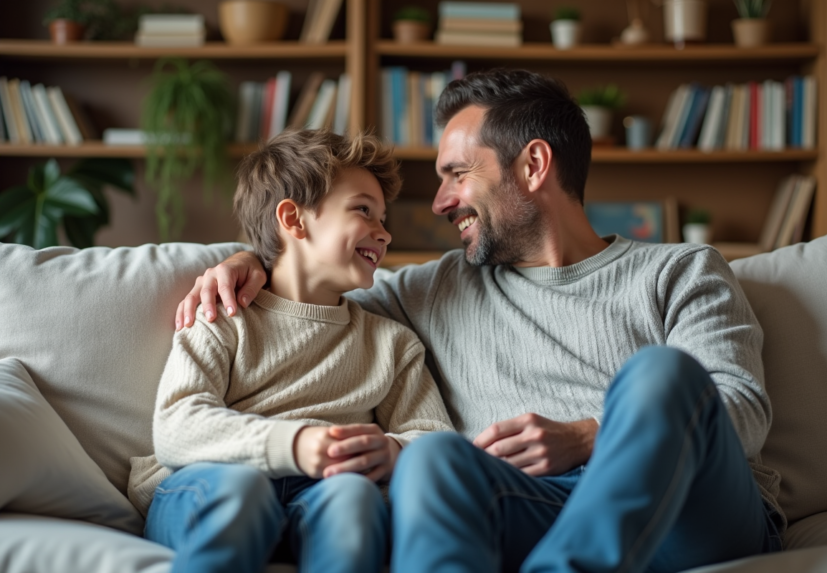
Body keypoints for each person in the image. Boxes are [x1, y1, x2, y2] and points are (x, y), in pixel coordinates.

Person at [177, 70, 784, 573]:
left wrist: (589, 437)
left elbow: (741, 412)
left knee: (660, 375)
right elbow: (318, 280)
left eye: (456, 175)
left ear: (533, 164)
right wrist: (247, 259)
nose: (439, 202)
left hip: (692, 514)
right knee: (432, 458)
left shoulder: (679, 271)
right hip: (539, 508)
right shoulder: (436, 288)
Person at [129, 129, 453, 573]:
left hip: (323, 491)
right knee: (242, 492)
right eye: (364, 211)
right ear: (294, 219)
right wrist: (296, 444)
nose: (385, 234)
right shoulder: (224, 313)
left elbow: (435, 438)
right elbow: (176, 426)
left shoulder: (392, 344)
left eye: (384, 218)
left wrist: (393, 450)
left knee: (355, 498)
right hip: (212, 481)